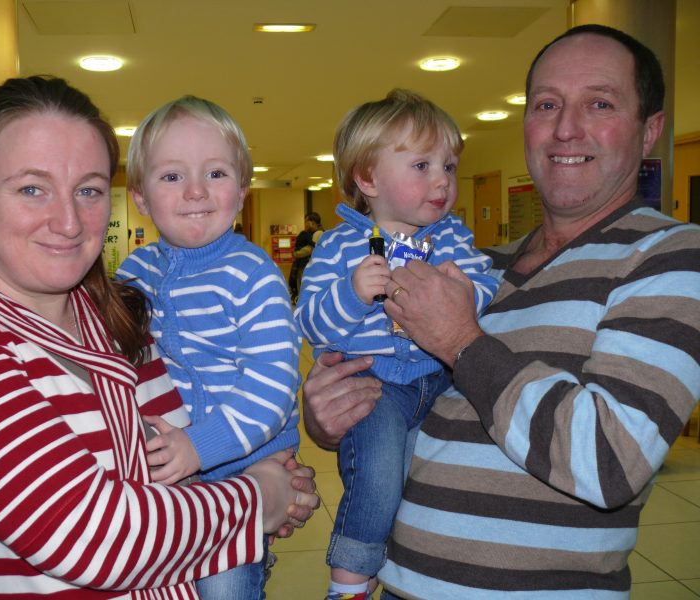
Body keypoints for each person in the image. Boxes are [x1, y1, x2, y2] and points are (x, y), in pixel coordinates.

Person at [303, 24, 700, 599]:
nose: (567, 127)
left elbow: (613, 461)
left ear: (650, 132)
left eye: (600, 102)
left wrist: (461, 341)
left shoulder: (668, 255)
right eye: (546, 104)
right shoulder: (483, 265)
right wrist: (332, 417)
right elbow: (420, 405)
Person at [0, 76, 319, 600]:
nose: (69, 221)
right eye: (33, 188)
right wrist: (259, 498)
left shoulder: (119, 316)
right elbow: (98, 539)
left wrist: (272, 459)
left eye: (89, 190)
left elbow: (181, 462)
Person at [294, 89, 499, 600]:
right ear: (368, 179)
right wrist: (352, 292)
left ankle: (403, 575)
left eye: (449, 167)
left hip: (438, 381)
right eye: (423, 165)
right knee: (380, 469)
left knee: (422, 489)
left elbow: (488, 287)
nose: (442, 181)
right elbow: (310, 322)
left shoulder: (451, 237)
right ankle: (350, 579)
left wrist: (466, 292)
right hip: (374, 382)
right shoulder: (340, 245)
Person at [115, 95, 301, 600]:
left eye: (216, 174)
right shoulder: (133, 274)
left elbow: (274, 385)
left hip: (245, 460)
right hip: (170, 465)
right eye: (171, 177)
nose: (195, 191)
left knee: (223, 587)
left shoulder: (253, 273)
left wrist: (201, 445)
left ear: (242, 190)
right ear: (140, 198)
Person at [289, 212, 323, 303]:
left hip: (309, 266)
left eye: (306, 221)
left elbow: (309, 250)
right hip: (308, 265)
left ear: (312, 222)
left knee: (303, 288)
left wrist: (295, 253)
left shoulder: (318, 233)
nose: (304, 224)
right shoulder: (311, 233)